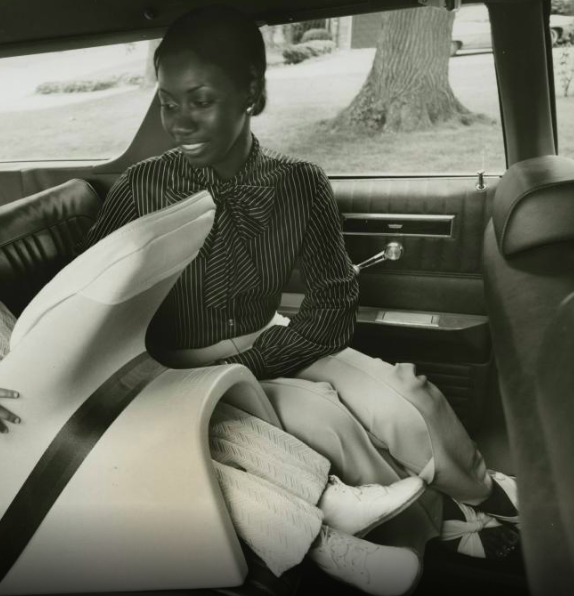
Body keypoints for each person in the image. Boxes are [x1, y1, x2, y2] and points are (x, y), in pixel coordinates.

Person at [83, 3, 520, 564]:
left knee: (407, 396)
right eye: (169, 103)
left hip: (275, 340)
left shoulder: (299, 182)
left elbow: (334, 304)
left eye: (202, 101)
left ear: (252, 94)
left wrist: (262, 357)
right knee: (328, 422)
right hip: (184, 368)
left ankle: (487, 494)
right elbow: (85, 294)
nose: (180, 122)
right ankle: (437, 526)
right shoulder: (141, 188)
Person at [0, 184, 428, 596]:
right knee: (188, 469)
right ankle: (331, 550)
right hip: (26, 488)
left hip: (70, 439)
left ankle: (332, 497)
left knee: (209, 425)